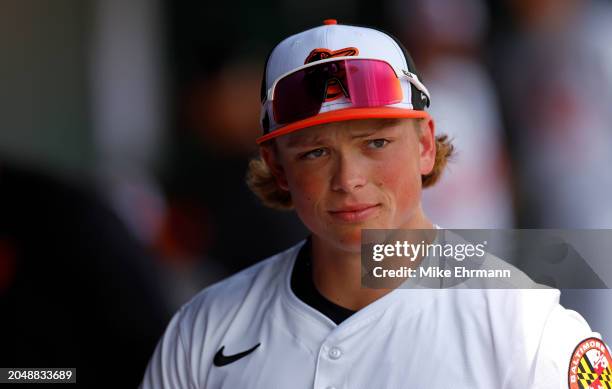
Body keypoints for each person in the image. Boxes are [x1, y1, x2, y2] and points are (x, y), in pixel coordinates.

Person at [141, 20, 609, 388]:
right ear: (278, 167)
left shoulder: (526, 326)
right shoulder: (203, 329)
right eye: (315, 152)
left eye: (376, 144)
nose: (349, 179)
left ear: (425, 145)